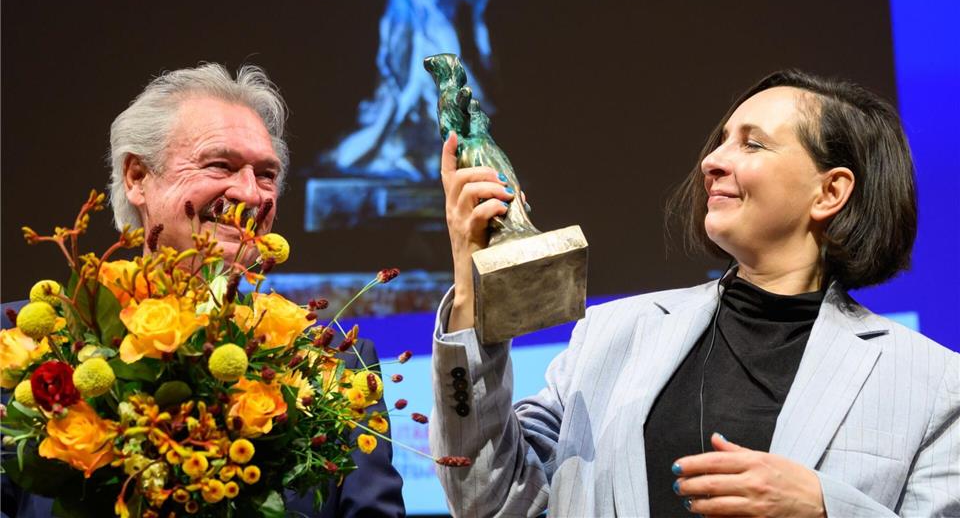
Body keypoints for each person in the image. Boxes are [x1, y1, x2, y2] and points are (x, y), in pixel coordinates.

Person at [429, 69, 960, 517]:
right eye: (721, 140)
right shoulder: (612, 335)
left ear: (830, 192)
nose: (712, 161)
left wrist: (825, 508)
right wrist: (472, 289)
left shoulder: (932, 383)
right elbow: (489, 498)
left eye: (752, 143)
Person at [2, 64, 405, 518]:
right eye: (220, 165)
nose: (250, 194)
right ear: (137, 177)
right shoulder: (23, 347)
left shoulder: (335, 368)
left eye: (266, 174)